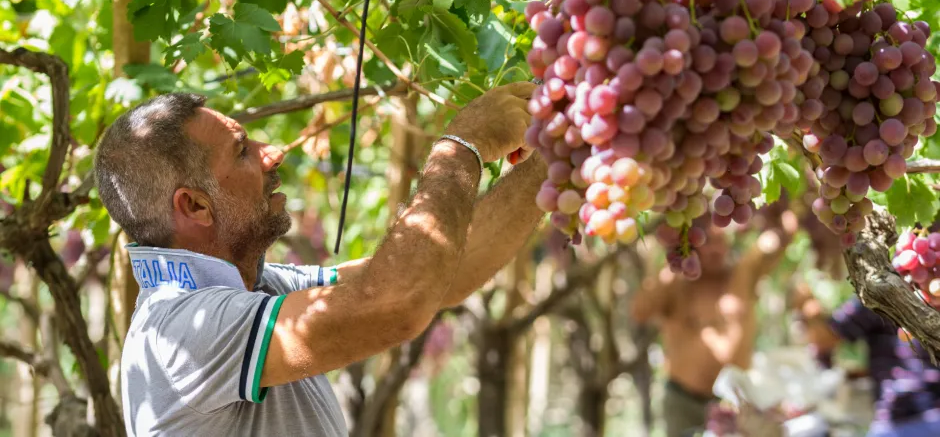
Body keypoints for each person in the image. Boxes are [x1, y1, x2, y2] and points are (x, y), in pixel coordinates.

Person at [92, 84, 548, 436]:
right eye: (242, 151)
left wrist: (558, 156)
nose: (272, 154)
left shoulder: (262, 289)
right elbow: (397, 303)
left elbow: (446, 273)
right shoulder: (184, 330)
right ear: (194, 207)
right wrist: (461, 145)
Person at [630, 210, 798, 437]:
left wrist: (784, 200)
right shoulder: (675, 283)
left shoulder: (743, 274)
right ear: (693, 245)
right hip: (683, 401)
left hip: (735, 403)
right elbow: (640, 311)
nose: (716, 250)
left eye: (721, 241)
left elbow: (784, 234)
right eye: (707, 242)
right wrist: (670, 258)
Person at [789, 287, 940, 436]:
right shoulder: (924, 281)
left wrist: (807, 309)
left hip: (903, 420)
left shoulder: (879, 293)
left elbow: (826, 339)